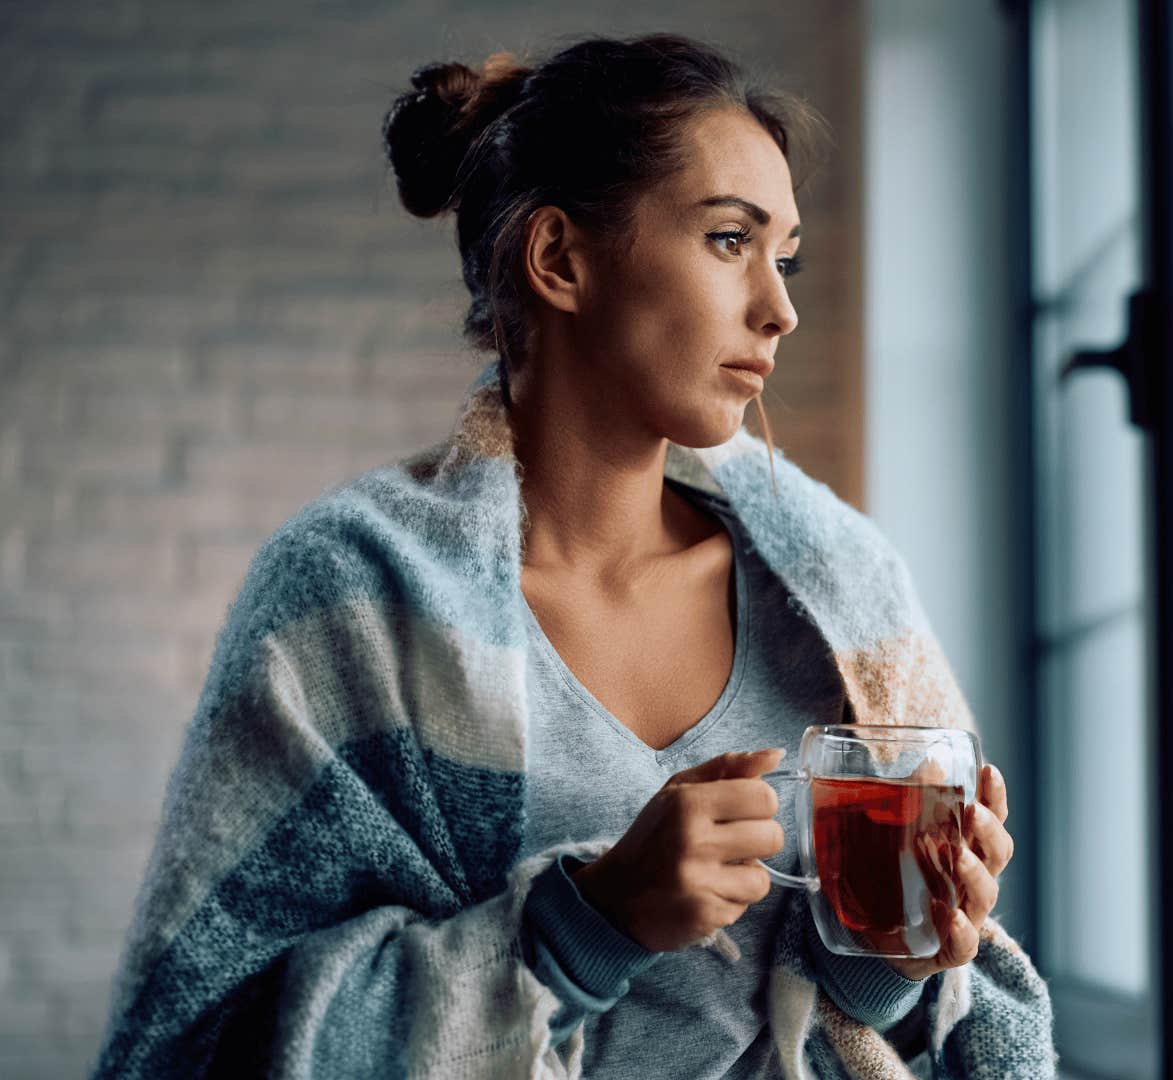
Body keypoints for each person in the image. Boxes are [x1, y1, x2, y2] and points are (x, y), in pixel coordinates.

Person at [91, 33, 1055, 1079]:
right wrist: (584, 925)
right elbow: (193, 1045)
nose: (777, 309)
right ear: (559, 260)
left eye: (786, 259)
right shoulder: (349, 600)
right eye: (730, 241)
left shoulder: (846, 599)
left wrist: (886, 956)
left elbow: (919, 1020)